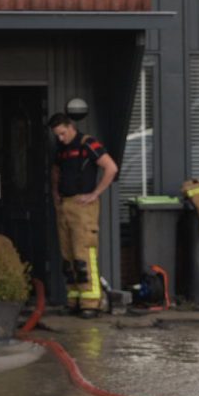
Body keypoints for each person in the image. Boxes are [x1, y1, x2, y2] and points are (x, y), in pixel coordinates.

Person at [49, 112, 118, 318]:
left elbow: (111, 167)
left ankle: (90, 302)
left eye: (62, 133)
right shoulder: (62, 150)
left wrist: (95, 193)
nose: (60, 138)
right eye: (57, 135)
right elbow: (56, 172)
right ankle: (74, 299)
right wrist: (56, 197)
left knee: (83, 254)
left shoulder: (87, 143)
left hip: (83, 206)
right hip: (65, 204)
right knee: (68, 256)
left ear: (71, 127)